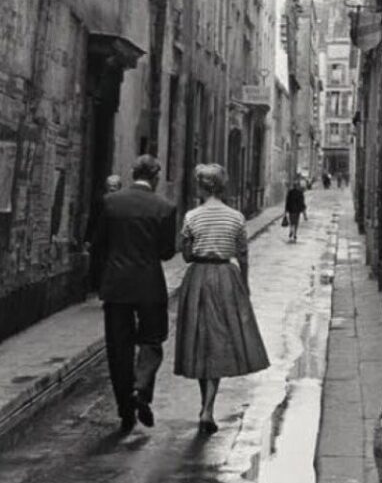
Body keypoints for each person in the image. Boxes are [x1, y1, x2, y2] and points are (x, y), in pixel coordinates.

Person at [174, 163, 269, 434]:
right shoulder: (236, 217)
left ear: (203, 186)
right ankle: (208, 407)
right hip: (227, 277)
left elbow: (186, 255)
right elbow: (243, 254)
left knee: (200, 341)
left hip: (199, 277)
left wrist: (194, 246)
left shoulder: (192, 216)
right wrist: (245, 284)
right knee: (219, 341)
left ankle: (205, 405)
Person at [93, 154, 176, 434]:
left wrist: (103, 277)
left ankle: (125, 410)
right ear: (156, 177)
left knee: (119, 348)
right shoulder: (165, 207)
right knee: (152, 340)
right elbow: (166, 252)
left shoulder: (111, 203)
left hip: (116, 285)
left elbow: (99, 244)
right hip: (149, 285)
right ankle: (141, 389)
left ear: (132, 174)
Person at [284, 176, 307, 242]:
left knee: (291, 221)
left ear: (293, 186)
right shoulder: (300, 193)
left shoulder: (290, 192)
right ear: (298, 186)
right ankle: (295, 234)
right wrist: (304, 213)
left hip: (291, 210)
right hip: (297, 211)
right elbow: (302, 203)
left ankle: (291, 229)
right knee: (296, 222)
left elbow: (287, 202)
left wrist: (286, 210)